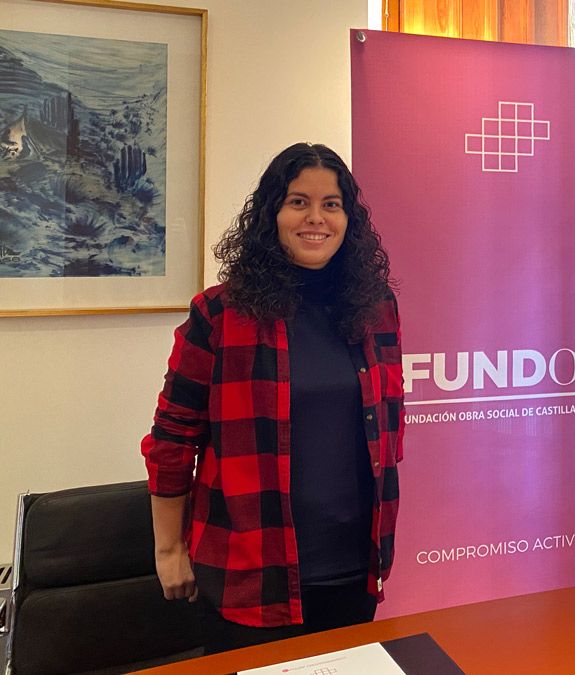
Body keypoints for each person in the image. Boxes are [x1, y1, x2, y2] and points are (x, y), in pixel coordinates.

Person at [141, 143, 403, 652]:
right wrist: (168, 548)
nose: (316, 218)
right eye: (297, 201)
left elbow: (389, 430)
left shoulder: (377, 311)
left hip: (352, 569)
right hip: (250, 574)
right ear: (271, 214)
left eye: (331, 204)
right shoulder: (218, 315)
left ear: (349, 218)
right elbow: (172, 439)